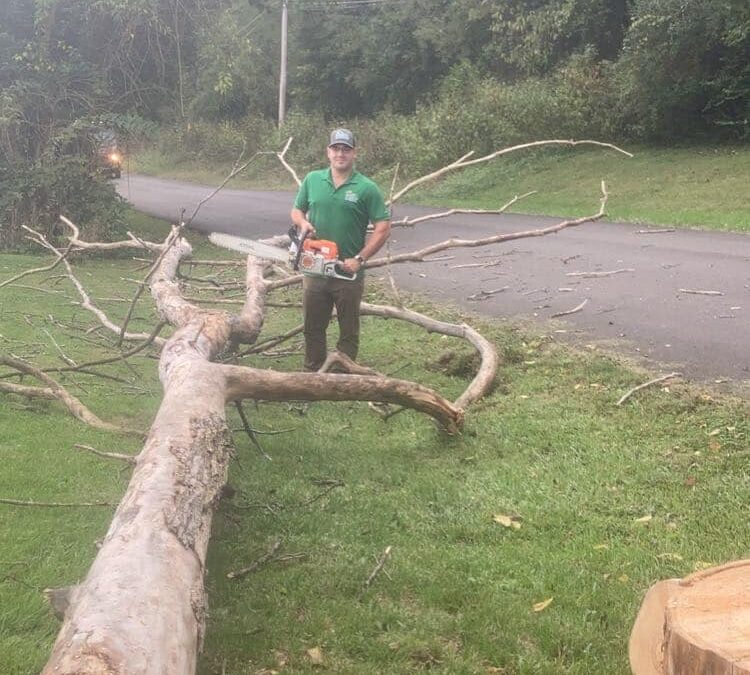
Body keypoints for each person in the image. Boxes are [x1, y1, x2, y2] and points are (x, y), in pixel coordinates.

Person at [291, 128, 391, 371]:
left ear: (354, 153)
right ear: (328, 152)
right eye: (336, 148)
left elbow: (383, 227)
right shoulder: (313, 180)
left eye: (346, 149)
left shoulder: (366, 188)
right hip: (315, 268)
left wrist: (360, 258)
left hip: (347, 271)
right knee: (313, 326)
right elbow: (296, 210)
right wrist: (303, 224)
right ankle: (313, 370)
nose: (340, 154)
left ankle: (344, 374)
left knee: (349, 329)